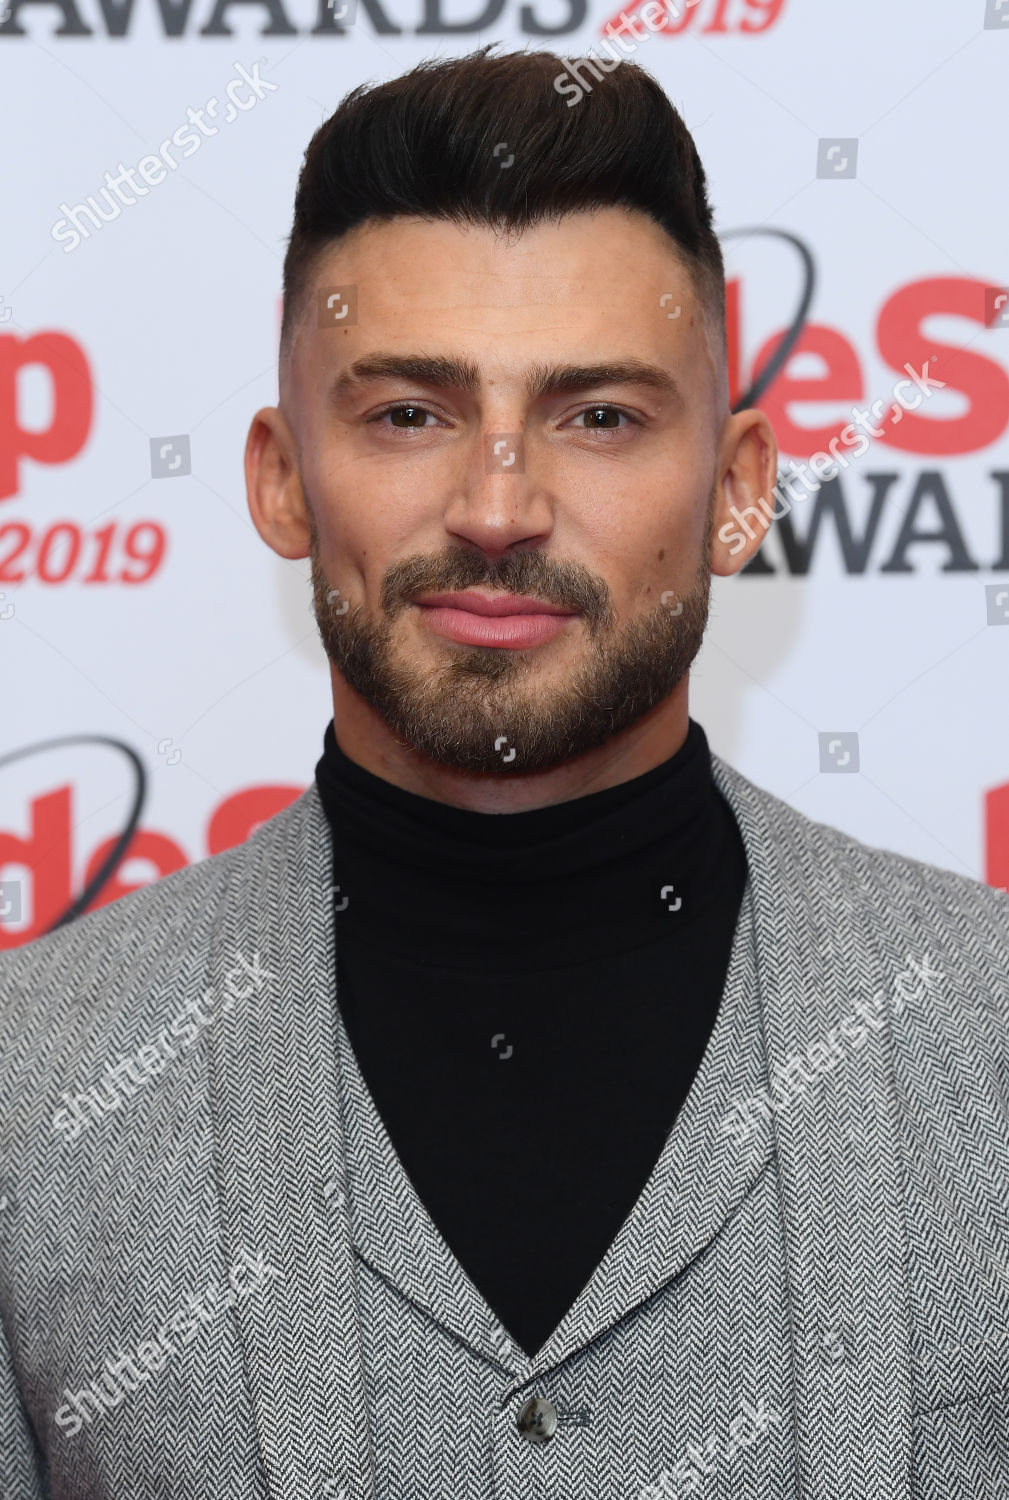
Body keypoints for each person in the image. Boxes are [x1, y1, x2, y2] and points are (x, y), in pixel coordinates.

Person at [1, 43, 1007, 1500]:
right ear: (283, 479)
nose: (495, 505)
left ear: (734, 494)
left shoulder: (983, 1027)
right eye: (408, 412)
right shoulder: (34, 1089)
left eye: (598, 415)